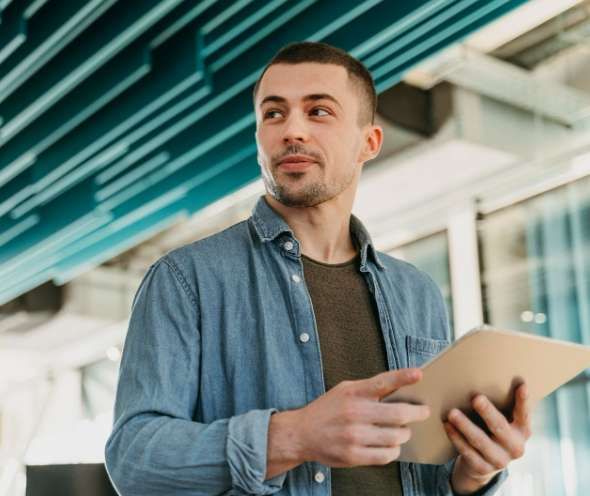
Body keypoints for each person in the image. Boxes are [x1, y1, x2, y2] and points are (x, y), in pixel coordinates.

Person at [104, 41, 532, 496]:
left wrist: (475, 473)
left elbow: (426, 475)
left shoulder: (417, 291)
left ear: (368, 142)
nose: (292, 130)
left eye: (319, 111)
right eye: (273, 114)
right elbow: (134, 459)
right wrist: (295, 435)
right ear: (258, 141)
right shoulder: (185, 279)